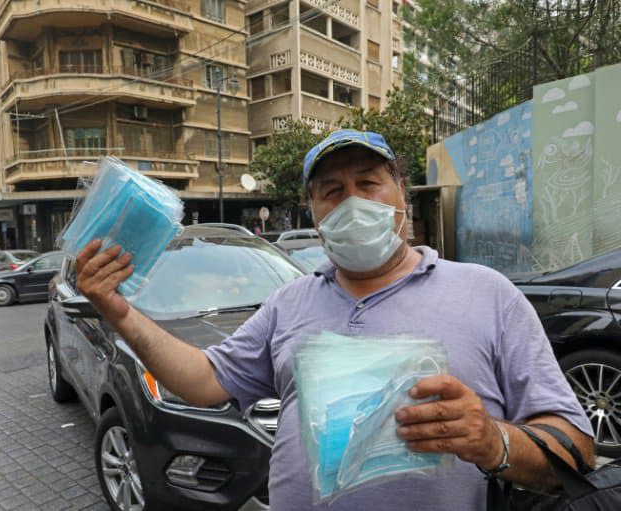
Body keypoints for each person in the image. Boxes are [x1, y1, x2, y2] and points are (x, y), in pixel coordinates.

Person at [75, 129, 594, 510]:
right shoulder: (289, 303)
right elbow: (204, 382)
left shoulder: (487, 293)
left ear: (403, 200)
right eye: (332, 191)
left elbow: (576, 448)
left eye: (368, 183)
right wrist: (119, 311)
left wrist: (491, 441)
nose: (352, 202)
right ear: (314, 215)